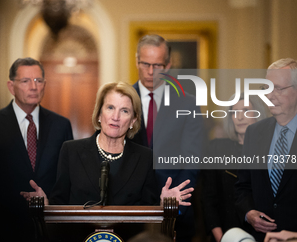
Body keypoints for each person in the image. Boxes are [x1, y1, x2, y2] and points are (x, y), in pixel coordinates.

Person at [21, 82, 194, 207]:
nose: (116, 116)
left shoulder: (145, 157)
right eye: (110, 108)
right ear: (98, 114)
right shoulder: (71, 150)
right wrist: (46, 205)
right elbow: (60, 205)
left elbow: (147, 211)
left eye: (124, 111)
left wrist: (163, 204)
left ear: (133, 120)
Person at [0, 57, 73, 242]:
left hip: (51, 230)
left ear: (44, 85)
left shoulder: (61, 125)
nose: (33, 87)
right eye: (25, 81)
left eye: (38, 81)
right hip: (3, 230)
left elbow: (68, 178)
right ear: (10, 86)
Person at [131, 34, 205, 242]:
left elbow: (192, 159)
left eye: (158, 65)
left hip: (176, 211)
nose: (151, 71)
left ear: (169, 64)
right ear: (137, 61)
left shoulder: (188, 103)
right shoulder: (123, 99)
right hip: (131, 209)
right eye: (145, 64)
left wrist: (175, 200)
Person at [235, 58, 297, 242]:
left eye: (278, 89)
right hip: (260, 239)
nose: (270, 96)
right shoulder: (255, 132)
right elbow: (243, 186)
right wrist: (248, 212)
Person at [201, 93, 269, 242]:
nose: (239, 117)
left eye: (245, 110)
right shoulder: (217, 148)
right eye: (234, 111)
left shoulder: (270, 150)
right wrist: (222, 239)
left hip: (262, 236)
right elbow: (208, 198)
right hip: (225, 234)